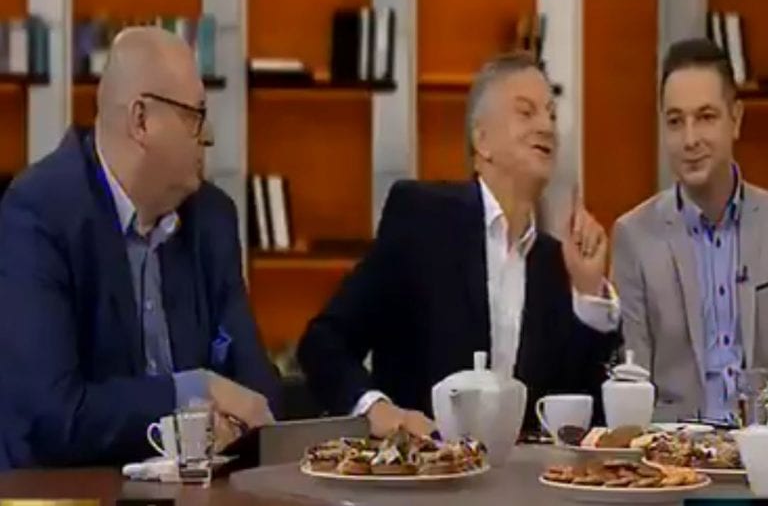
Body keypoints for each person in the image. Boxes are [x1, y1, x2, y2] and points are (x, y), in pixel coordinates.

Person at [298, 52, 621, 437]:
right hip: (422, 468)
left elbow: (586, 412)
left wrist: (588, 293)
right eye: (526, 112)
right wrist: (377, 410)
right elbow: (324, 343)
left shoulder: (555, 261)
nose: (546, 127)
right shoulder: (422, 220)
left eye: (551, 114)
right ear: (481, 140)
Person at [0, 27, 281, 468]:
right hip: (72, 490)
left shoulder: (212, 217)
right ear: (141, 121)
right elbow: (53, 416)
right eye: (195, 115)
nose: (207, 135)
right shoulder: (38, 214)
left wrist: (232, 414)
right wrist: (192, 393)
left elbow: (257, 393)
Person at [612, 38, 768, 422]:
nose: (690, 139)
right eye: (675, 121)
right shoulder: (634, 236)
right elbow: (633, 380)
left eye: (706, 117)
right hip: (675, 449)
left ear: (736, 119)